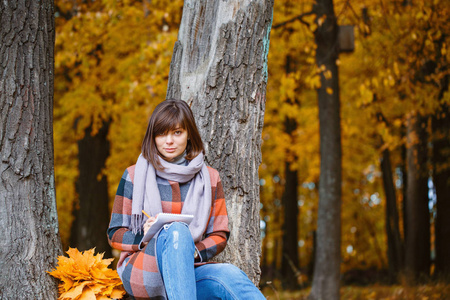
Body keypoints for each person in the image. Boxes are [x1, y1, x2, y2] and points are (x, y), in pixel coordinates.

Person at [107, 99, 265, 299]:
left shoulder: (210, 178)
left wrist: (190, 252)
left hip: (189, 269)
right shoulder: (133, 175)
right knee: (177, 230)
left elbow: (219, 234)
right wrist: (143, 236)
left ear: (189, 134)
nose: (169, 141)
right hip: (144, 269)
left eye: (177, 132)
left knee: (230, 276)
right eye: (162, 134)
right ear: (153, 137)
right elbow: (114, 233)